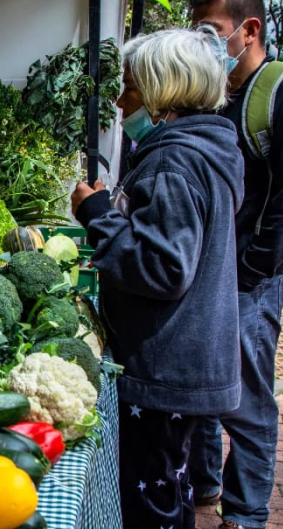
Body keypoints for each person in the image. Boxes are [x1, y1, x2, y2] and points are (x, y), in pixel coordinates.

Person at [71, 28, 244, 529]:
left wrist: (98, 215)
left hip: (164, 368)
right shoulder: (208, 149)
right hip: (189, 359)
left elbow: (163, 267)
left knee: (152, 500)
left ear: (162, 95)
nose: (121, 103)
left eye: (130, 88)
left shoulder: (173, 160)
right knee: (171, 486)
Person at [187, 0, 283, 529]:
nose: (204, 44)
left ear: (250, 31)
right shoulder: (217, 94)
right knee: (201, 388)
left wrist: (250, 271)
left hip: (251, 279)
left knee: (246, 401)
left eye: (212, 32)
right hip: (207, 273)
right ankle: (204, 486)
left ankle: (245, 513)